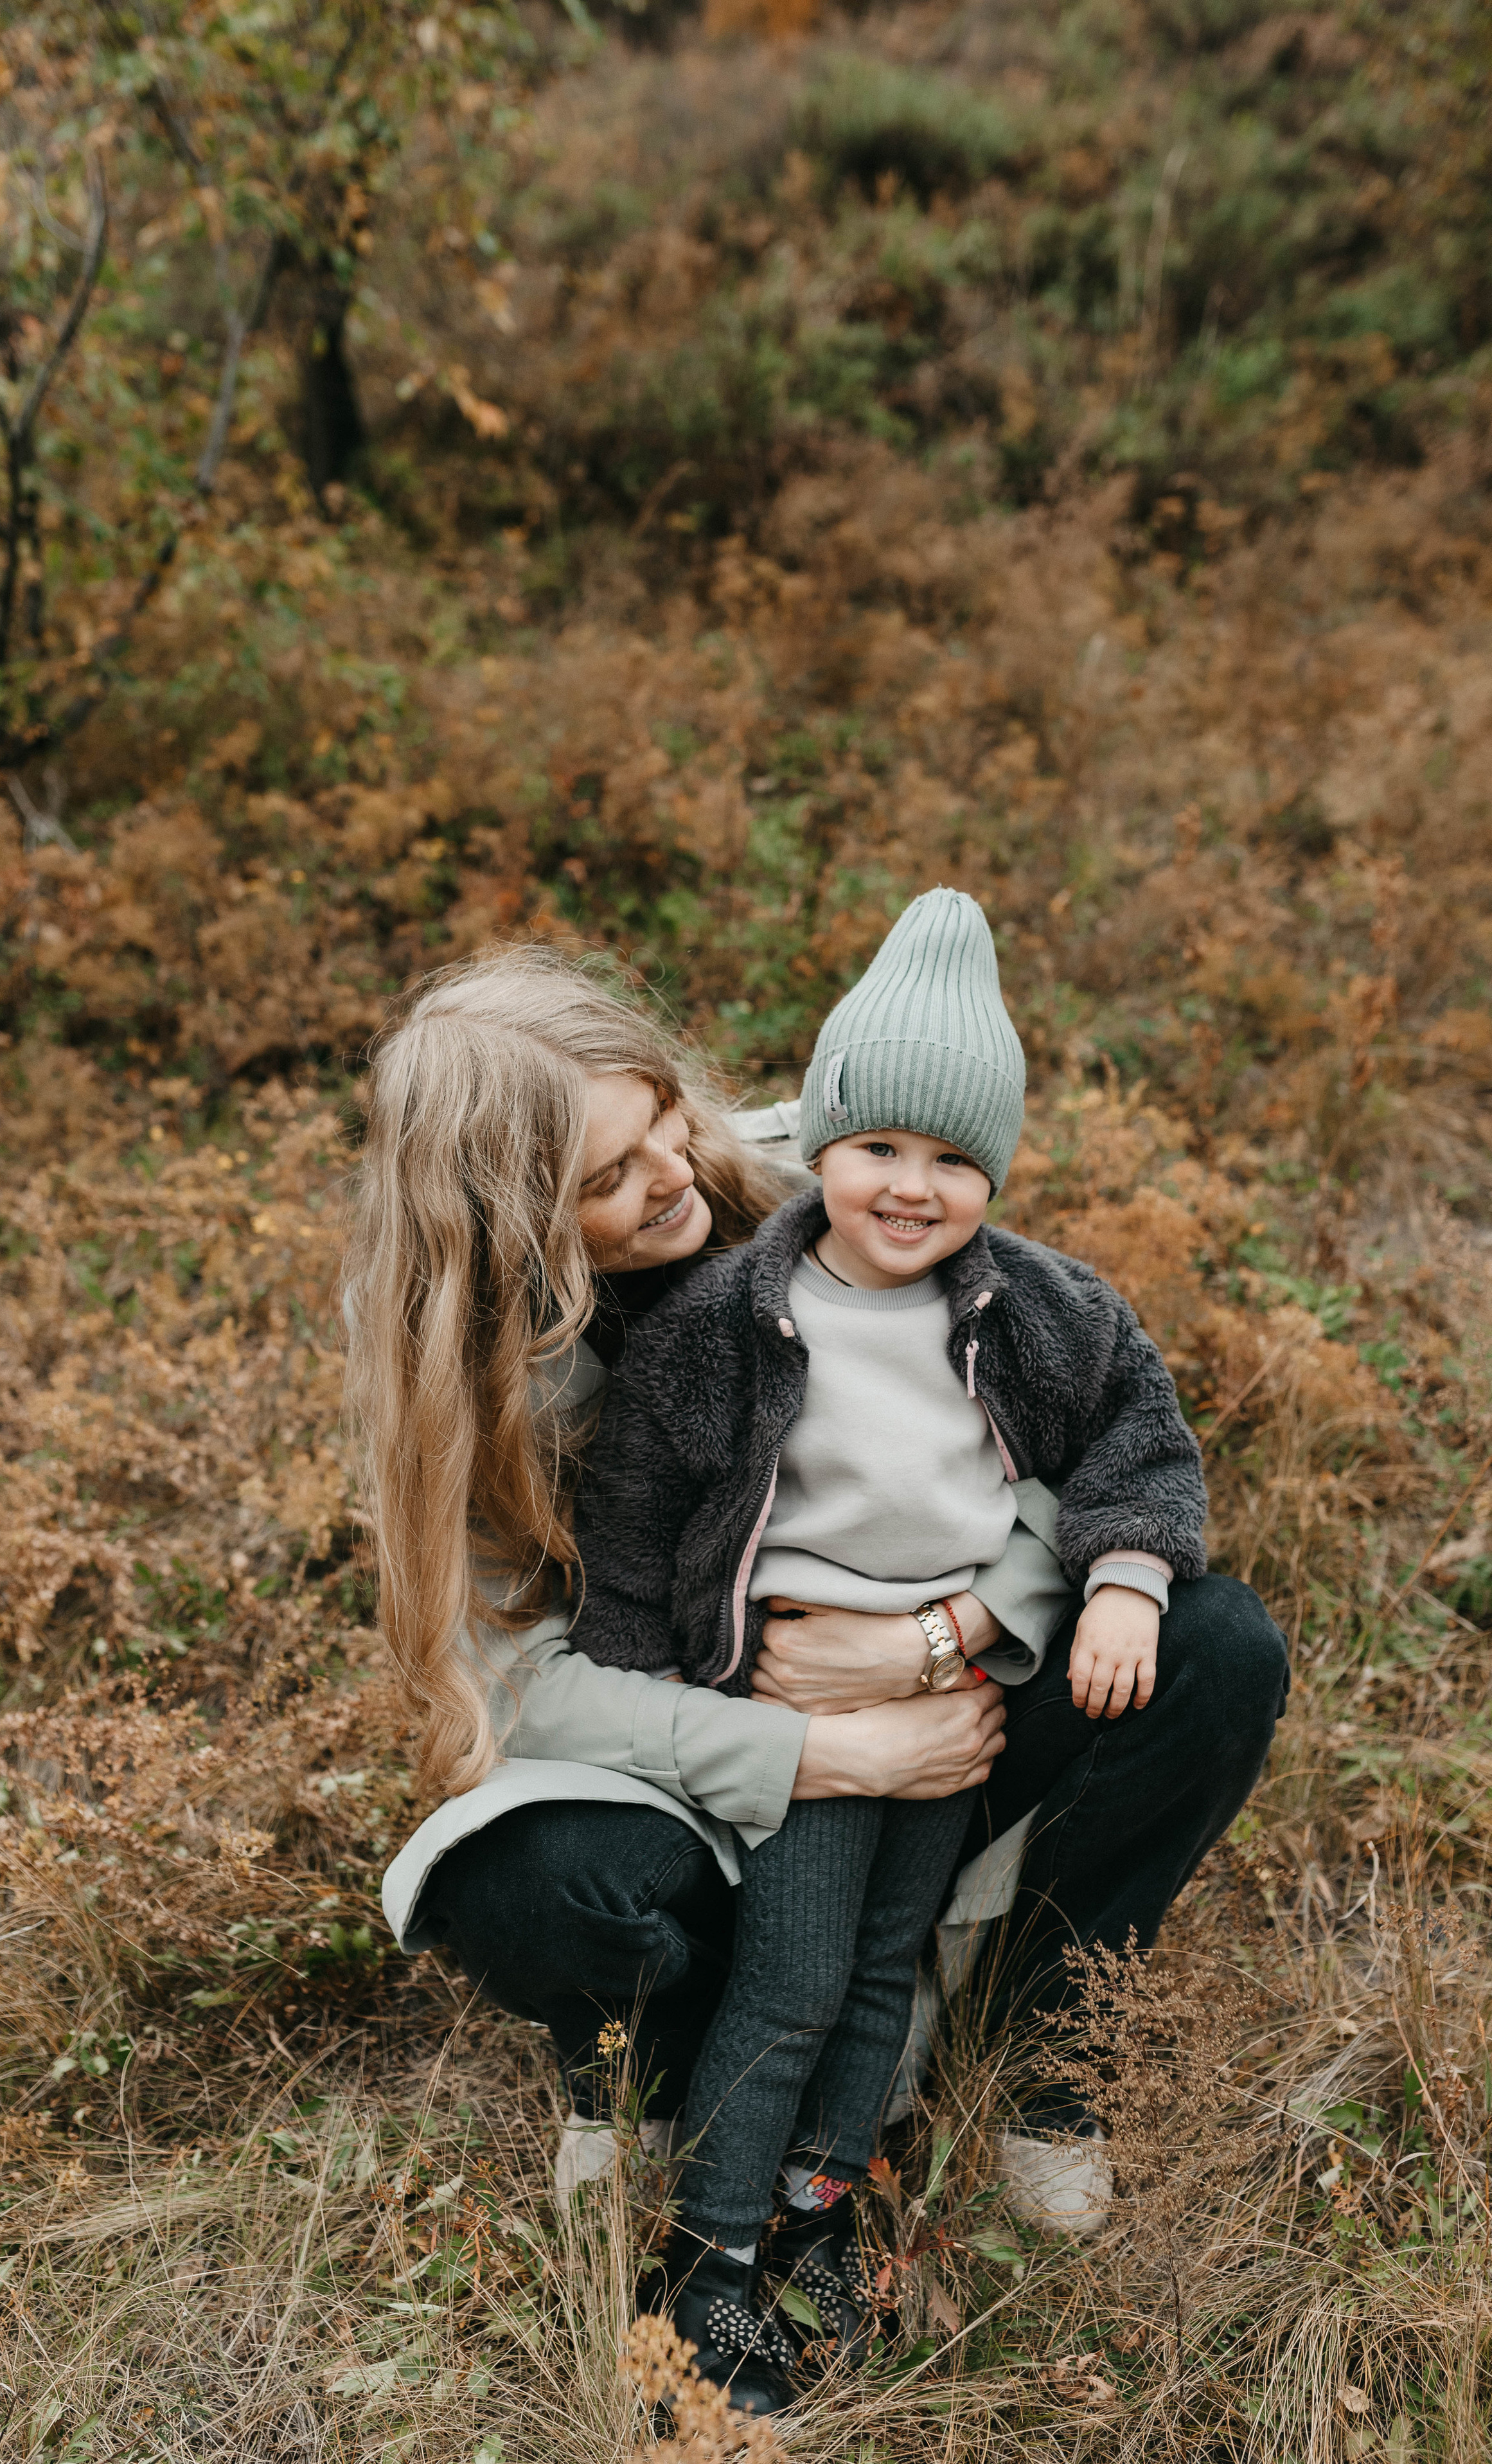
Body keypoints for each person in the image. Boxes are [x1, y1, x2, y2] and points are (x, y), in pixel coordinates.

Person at [355, 944, 1288, 2400]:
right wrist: (817, 1749)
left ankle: (1031, 2045)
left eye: (664, 1121)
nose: (673, 1173)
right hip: (698, 1735)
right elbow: (526, 1688)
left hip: (943, 1693)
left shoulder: (848, 1168)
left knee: (1214, 1646)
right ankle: (668, 2115)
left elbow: (1050, 1446)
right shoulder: (469, 1384)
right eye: (609, 1178)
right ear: (510, 1228)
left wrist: (936, 1639)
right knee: (530, 1885)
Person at [567, 889, 1207, 2410]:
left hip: (954, 1705)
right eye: (876, 1148)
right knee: (791, 1982)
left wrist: (1124, 1579)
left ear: (995, 1170)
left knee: (875, 1972)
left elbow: (1139, 1434)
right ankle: (706, 2260)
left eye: (953, 1160)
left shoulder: (1039, 1307)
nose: (910, 1188)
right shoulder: (723, 1318)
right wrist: (660, 1703)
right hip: (797, 1713)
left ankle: (815, 2213)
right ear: (821, 1142)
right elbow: (635, 1519)